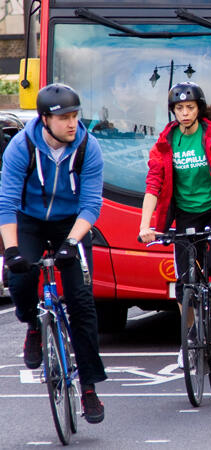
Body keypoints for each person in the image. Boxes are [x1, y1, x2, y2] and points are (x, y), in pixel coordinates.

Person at [0, 83, 106, 423]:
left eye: (75, 116)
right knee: (21, 279)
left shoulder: (89, 146)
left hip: (71, 224)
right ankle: (32, 325)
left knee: (81, 301)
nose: (72, 124)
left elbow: (91, 205)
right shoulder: (21, 147)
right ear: (45, 119)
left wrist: (72, 244)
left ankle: (89, 387)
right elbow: (6, 203)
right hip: (29, 220)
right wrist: (13, 251)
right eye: (64, 118)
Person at [138, 81, 211, 366]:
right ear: (172, 111)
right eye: (179, 108)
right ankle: (189, 337)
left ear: (199, 108)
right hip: (185, 214)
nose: (184, 113)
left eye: (189, 107)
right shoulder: (166, 142)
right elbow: (153, 184)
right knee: (183, 280)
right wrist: (145, 226)